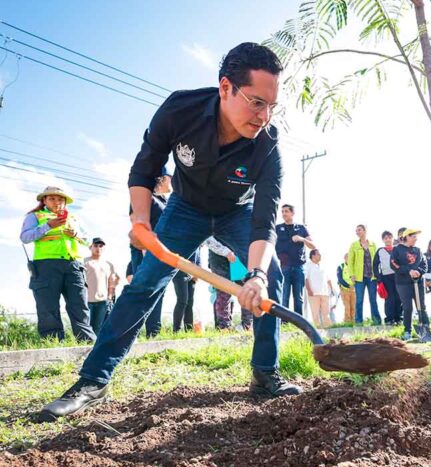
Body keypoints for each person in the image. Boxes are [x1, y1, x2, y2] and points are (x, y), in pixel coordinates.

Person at [40, 43, 299, 422]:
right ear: (225, 87)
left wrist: (256, 275)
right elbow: (145, 168)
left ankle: (265, 373)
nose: (265, 116)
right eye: (256, 102)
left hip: (237, 212)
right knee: (145, 283)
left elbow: (264, 218)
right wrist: (141, 223)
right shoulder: (181, 109)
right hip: (185, 208)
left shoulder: (268, 144)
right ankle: (94, 381)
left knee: (269, 277)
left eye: (272, 106)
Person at [20, 186, 97, 342]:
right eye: (52, 199)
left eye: (60, 199)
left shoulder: (74, 218)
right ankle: (53, 341)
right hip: (45, 265)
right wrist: (48, 225)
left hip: (74, 265)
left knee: (79, 305)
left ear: (65, 202)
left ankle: (86, 341)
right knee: (47, 306)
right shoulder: (34, 216)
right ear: (44, 200)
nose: (57, 202)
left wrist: (76, 234)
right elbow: (25, 237)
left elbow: (89, 240)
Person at [130, 168, 172, 337]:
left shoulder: (165, 201)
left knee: (158, 290)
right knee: (143, 290)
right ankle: (131, 331)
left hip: (160, 251)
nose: (173, 182)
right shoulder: (146, 198)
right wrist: (145, 249)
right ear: (162, 178)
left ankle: (153, 332)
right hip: (145, 250)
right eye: (171, 178)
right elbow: (136, 224)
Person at [275, 204, 315, 315]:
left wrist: (302, 239)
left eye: (286, 211)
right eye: (282, 211)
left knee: (298, 297)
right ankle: (284, 321)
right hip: (283, 267)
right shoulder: (277, 228)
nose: (284, 214)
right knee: (284, 296)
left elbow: (313, 246)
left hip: (298, 267)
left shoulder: (301, 228)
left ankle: (298, 322)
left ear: (292, 213)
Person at [206, 235, 252, 330]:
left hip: (238, 255)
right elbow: (207, 239)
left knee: (245, 288)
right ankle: (224, 326)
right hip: (218, 257)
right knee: (223, 291)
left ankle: (247, 324)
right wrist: (225, 252)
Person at [390, 228, 428, 340]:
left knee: (421, 306)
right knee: (407, 307)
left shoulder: (418, 250)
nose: (416, 239)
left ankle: (426, 330)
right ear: (407, 237)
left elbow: (424, 264)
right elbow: (393, 264)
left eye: (416, 236)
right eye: (414, 236)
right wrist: (408, 271)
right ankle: (407, 331)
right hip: (403, 283)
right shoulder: (397, 249)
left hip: (418, 282)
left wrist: (419, 272)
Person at [84, 238, 120, 334]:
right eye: (95, 246)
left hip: (103, 302)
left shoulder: (109, 264)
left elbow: (112, 283)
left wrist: (109, 297)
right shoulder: (84, 262)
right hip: (87, 301)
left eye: (101, 246)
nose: (98, 248)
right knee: (87, 329)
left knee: (99, 329)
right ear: (90, 247)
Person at [347, 224, 381, 325]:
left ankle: (376, 320)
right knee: (359, 300)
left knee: (373, 300)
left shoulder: (373, 244)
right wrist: (352, 275)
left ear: (365, 231)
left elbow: (377, 260)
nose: (357, 232)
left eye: (359, 230)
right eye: (356, 230)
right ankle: (358, 321)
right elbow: (350, 261)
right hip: (359, 278)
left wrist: (378, 274)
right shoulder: (354, 245)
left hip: (372, 277)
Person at [374, 230, 402, 325]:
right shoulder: (380, 251)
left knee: (398, 297)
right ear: (383, 240)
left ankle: (398, 318)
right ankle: (389, 319)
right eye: (385, 238)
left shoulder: (397, 249)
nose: (388, 240)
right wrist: (379, 279)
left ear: (392, 239)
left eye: (389, 238)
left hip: (398, 276)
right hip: (386, 278)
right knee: (389, 298)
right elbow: (375, 265)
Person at [305, 249, 334, 328]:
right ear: (313, 256)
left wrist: (331, 289)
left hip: (325, 293)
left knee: (326, 312)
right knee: (315, 313)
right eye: (318, 254)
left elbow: (328, 279)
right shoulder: (308, 265)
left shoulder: (323, 266)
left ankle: (328, 327)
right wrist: (309, 290)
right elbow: (306, 279)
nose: (320, 255)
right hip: (314, 293)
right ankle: (317, 329)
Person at [172, 249, 199, 332]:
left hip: (193, 271)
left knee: (190, 302)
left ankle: (189, 330)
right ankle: (176, 330)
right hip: (180, 270)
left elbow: (197, 255)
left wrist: (197, 271)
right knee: (182, 300)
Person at [337, 254, 356, 323]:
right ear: (344, 258)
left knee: (353, 306)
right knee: (347, 307)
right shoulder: (341, 267)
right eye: (348, 257)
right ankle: (347, 322)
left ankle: (353, 321)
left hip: (353, 290)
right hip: (344, 289)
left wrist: (354, 285)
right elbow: (340, 279)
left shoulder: (354, 267)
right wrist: (348, 286)